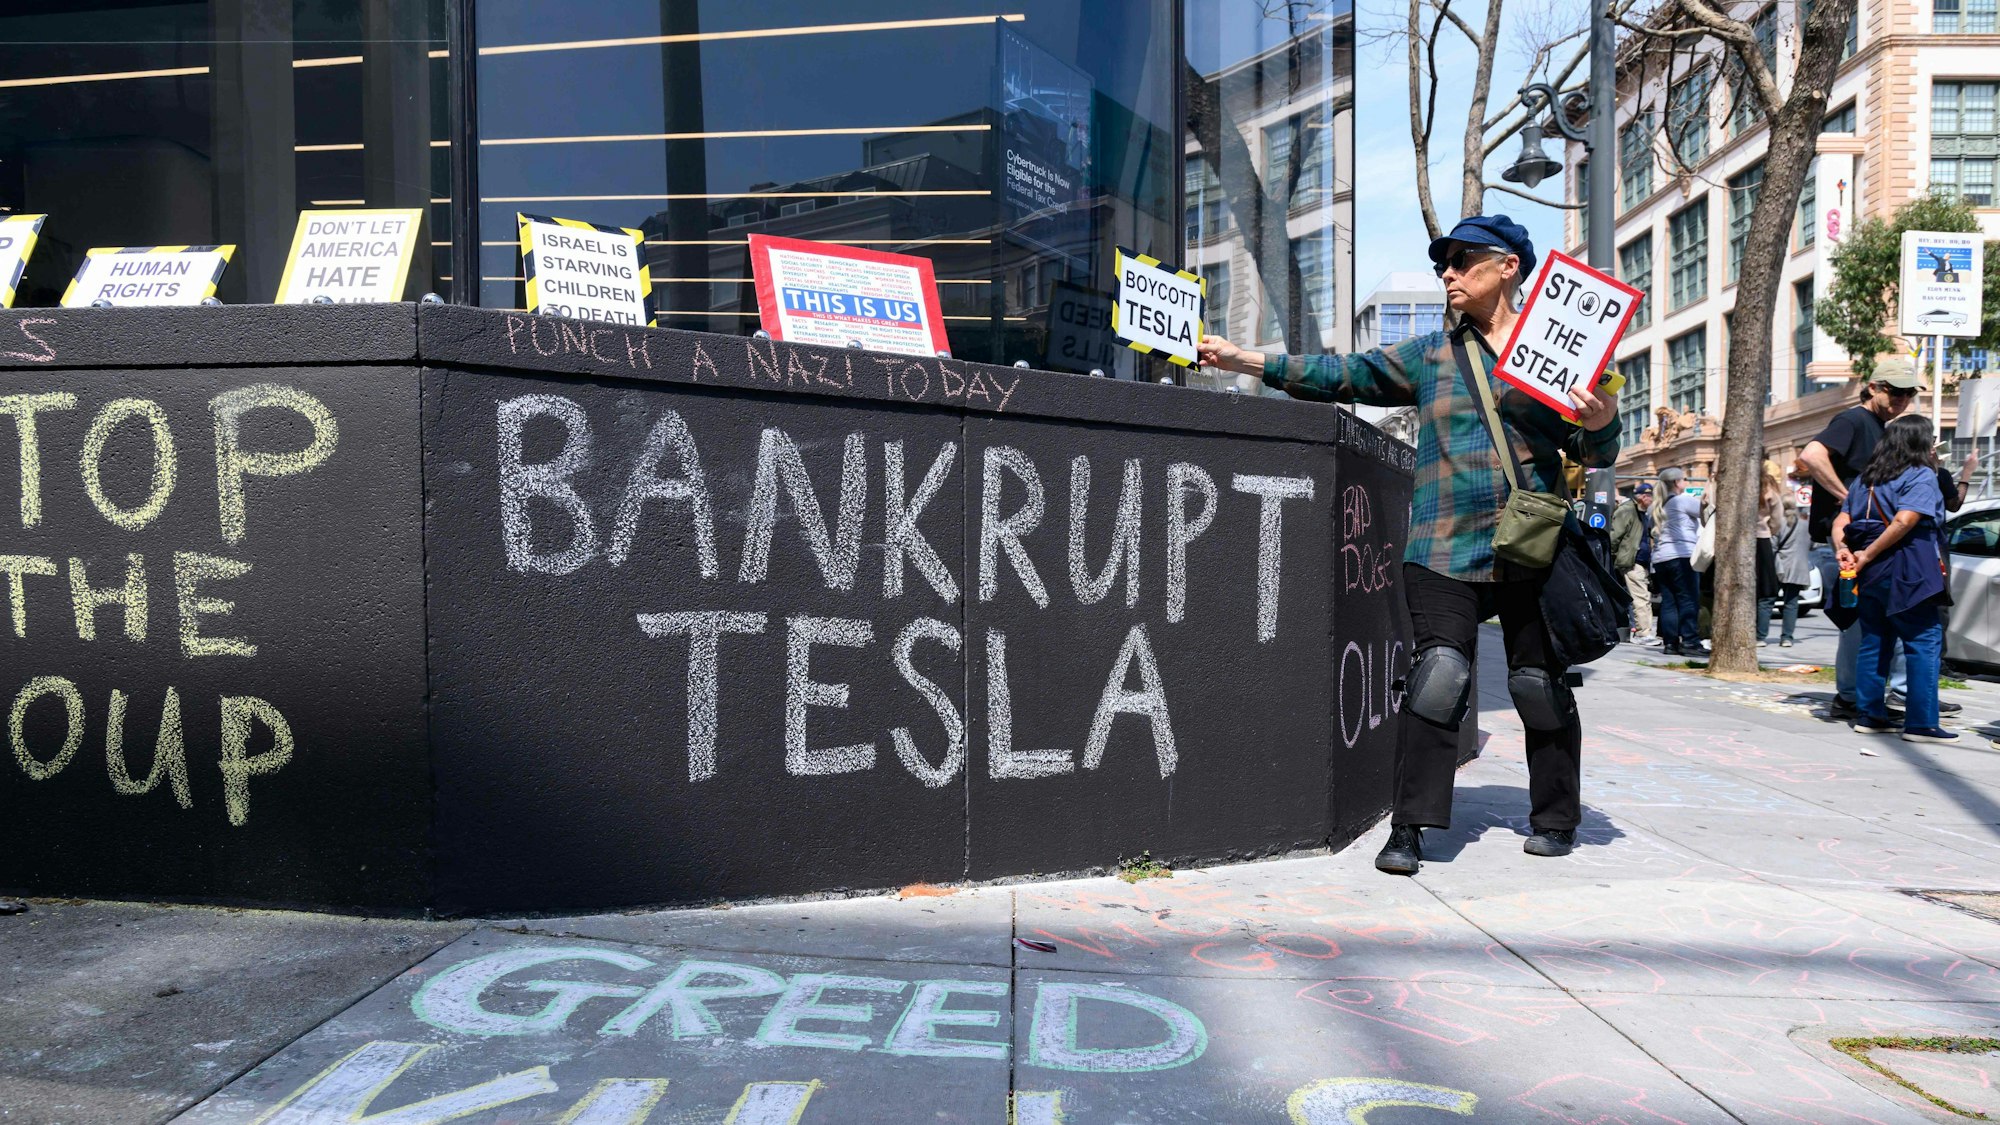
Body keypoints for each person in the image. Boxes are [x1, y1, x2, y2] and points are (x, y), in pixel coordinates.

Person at [1195, 214, 1621, 873]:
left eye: (1462, 259)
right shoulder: (1431, 356)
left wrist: (1604, 422)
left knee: (1538, 681)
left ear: (1508, 266)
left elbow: (1591, 451)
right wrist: (1243, 358)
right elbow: (1341, 373)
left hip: (1530, 544)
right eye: (1441, 263)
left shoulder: (1558, 352)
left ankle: (1556, 815)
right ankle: (1411, 827)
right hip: (1443, 541)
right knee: (1439, 676)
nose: (1447, 272)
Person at [1798, 359, 1921, 719]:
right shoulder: (1853, 420)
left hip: (1865, 540)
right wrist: (1846, 497)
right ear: (1873, 388)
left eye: (1908, 393)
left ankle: (1869, 694)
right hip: (1845, 542)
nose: (1902, 399)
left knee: (1878, 620)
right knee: (1857, 623)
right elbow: (1811, 454)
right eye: (1895, 391)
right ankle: (1850, 696)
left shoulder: (1883, 428)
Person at [1832, 414, 1957, 744]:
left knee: (1875, 640)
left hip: (1870, 572)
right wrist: (1867, 554)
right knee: (1923, 640)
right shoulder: (1920, 476)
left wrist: (1844, 550)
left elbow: (1841, 518)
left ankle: (1870, 716)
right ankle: (1922, 723)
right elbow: (1905, 521)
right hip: (1908, 566)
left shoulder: (1865, 480)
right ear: (1920, 443)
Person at [1652, 467, 1704, 656]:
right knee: (1688, 599)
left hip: (1660, 558)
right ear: (1676, 483)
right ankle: (1690, 641)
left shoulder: (1657, 506)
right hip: (1681, 555)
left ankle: (1670, 644)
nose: (1686, 482)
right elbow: (1707, 512)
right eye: (1684, 479)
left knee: (1669, 602)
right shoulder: (1683, 501)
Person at [1755, 459, 1794, 646]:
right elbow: (1777, 517)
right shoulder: (1767, 486)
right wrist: (1770, 530)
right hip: (1761, 537)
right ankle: (1760, 635)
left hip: (1735, 539)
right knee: (1766, 588)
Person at [1611, 483, 1656, 642]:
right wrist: (1617, 556)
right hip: (1632, 561)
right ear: (1643, 497)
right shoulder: (1628, 511)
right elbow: (1614, 537)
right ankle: (1643, 633)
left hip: (1640, 561)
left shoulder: (1643, 513)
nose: (1651, 499)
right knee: (1641, 598)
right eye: (1649, 496)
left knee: (1643, 597)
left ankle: (1643, 631)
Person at [1773, 475, 1812, 647]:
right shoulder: (1805, 524)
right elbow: (1810, 544)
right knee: (1791, 603)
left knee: (1766, 601)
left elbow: (1772, 545)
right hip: (1798, 567)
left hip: (1778, 566)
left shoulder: (1777, 523)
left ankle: (1760, 636)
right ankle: (1787, 637)